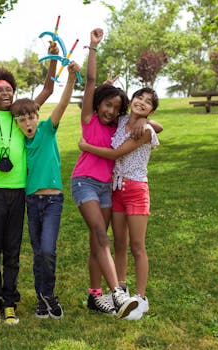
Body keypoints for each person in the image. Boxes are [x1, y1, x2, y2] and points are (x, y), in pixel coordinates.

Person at [0, 42, 59, 326]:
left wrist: (52, 60)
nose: (6, 93)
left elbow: (48, 90)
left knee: (12, 250)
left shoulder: (21, 113)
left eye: (9, 89)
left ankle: (10, 301)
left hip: (17, 192)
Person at [78, 86, 160, 321]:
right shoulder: (122, 119)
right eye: (139, 98)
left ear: (152, 110)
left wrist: (85, 147)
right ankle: (121, 291)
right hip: (115, 189)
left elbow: (116, 154)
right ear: (131, 99)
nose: (142, 102)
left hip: (136, 190)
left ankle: (141, 297)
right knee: (119, 244)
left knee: (137, 246)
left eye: (148, 102)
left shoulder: (144, 130)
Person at [10, 61, 80, 320]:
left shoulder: (47, 131)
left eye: (31, 116)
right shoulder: (18, 143)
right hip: (31, 201)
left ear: (37, 117)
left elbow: (61, 104)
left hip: (52, 202)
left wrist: (71, 78)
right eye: (22, 118)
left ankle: (48, 293)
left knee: (48, 250)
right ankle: (42, 298)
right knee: (38, 253)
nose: (28, 121)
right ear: (16, 123)